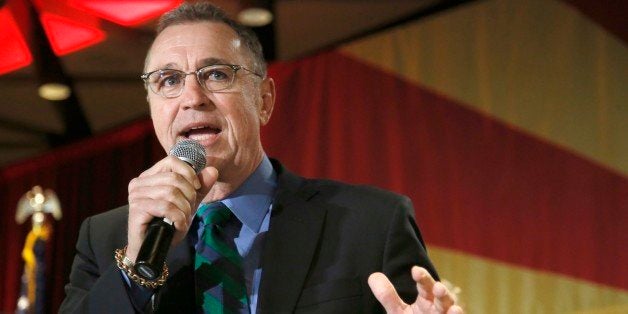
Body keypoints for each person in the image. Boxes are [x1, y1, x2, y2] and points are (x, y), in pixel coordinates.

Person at [60, 2, 463, 313]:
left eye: (216, 74)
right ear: (152, 109)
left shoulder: (373, 222)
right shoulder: (107, 238)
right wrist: (135, 269)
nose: (192, 98)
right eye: (168, 81)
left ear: (264, 100)